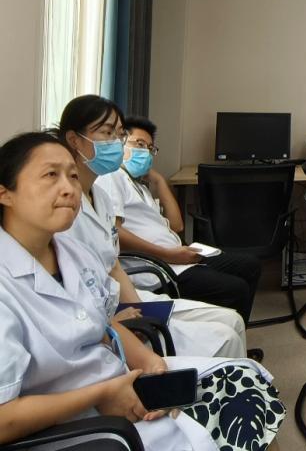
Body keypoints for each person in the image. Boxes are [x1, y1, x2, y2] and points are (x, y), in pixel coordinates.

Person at [0, 131, 285, 450]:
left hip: (117, 382)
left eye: (72, 176)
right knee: (227, 423)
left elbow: (103, 324)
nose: (68, 188)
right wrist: (102, 394)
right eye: (51, 175)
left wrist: (150, 363)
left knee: (247, 382)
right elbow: (3, 419)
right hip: (80, 426)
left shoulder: (72, 253)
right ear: (5, 193)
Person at [59, 95, 246, 359]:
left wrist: (138, 309)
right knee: (226, 333)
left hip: (124, 295)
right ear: (74, 140)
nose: (116, 142)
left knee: (233, 320)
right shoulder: (67, 204)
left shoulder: (100, 196)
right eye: (107, 133)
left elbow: (113, 264)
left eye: (119, 134)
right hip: (114, 302)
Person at [97, 116, 261, 323]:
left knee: (250, 265)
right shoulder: (111, 177)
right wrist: (169, 254)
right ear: (120, 142)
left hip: (176, 256)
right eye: (139, 144)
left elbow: (177, 225)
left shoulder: (139, 186)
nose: (145, 152)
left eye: (150, 148)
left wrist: (159, 181)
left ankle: (234, 330)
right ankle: (227, 331)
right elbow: (115, 233)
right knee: (236, 289)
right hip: (159, 266)